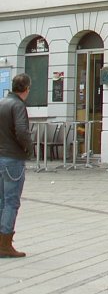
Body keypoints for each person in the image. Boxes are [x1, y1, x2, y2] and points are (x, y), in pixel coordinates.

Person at [0, 73, 33, 258]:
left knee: (1, 201)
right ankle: (5, 243)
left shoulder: (2, 102)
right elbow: (22, 130)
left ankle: (1, 241)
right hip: (12, 159)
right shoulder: (18, 105)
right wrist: (29, 149)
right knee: (11, 201)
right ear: (26, 89)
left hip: (0, 156)